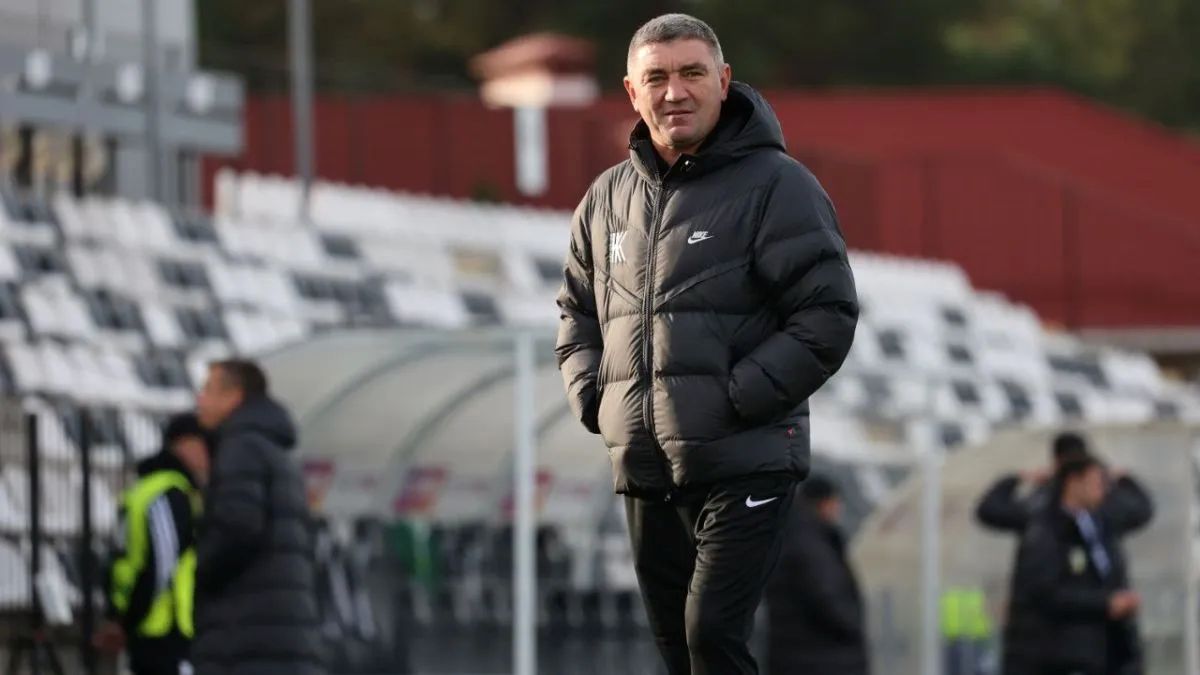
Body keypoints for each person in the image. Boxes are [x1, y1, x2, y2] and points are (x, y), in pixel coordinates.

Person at [555, 13, 858, 674]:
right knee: (677, 649)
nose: (675, 92)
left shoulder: (779, 186)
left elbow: (827, 313)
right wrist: (596, 401)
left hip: (747, 458)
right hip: (645, 465)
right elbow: (576, 312)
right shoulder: (605, 200)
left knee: (711, 634)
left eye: (692, 73)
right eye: (657, 78)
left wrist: (736, 397)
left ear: (723, 81)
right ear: (631, 91)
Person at [191, 359, 325, 675]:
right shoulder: (274, 450)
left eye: (208, 390)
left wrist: (197, 572)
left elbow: (237, 527)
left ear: (234, 396)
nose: (200, 400)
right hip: (280, 633)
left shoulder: (240, 446)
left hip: (246, 636)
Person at [1003, 456, 1143, 675]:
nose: (1103, 489)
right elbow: (1045, 592)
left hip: (1101, 655)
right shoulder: (1046, 531)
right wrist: (1105, 603)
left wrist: (1127, 480)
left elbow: (1142, 511)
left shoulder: (1099, 527)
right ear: (1074, 482)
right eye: (1096, 481)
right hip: (1060, 656)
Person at [99, 413, 209, 675]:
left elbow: (119, 559)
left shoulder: (143, 489)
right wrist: (128, 621)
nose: (208, 456)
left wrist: (118, 616)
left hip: (145, 628)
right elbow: (161, 564)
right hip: (164, 629)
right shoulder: (170, 493)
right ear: (186, 444)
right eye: (205, 445)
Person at [766, 475, 868, 675]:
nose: (838, 510)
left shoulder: (792, 534)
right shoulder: (811, 544)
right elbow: (827, 596)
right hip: (821, 660)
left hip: (800, 657)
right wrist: (852, 625)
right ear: (825, 503)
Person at [975, 432, 1154, 535]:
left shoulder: (1039, 506)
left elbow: (990, 511)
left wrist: (1020, 478)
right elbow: (1142, 510)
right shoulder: (1106, 508)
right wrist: (1124, 480)